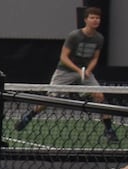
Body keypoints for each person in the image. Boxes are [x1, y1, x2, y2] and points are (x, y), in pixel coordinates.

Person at [14, 8, 118, 143]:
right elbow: (64, 57)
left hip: (84, 72)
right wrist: (78, 70)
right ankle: (28, 117)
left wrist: (87, 71)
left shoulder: (99, 38)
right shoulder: (74, 36)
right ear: (86, 20)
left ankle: (109, 130)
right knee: (50, 99)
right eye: (92, 18)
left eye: (97, 18)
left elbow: (94, 58)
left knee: (99, 96)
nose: (95, 20)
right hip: (65, 71)